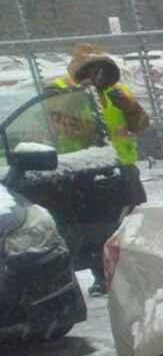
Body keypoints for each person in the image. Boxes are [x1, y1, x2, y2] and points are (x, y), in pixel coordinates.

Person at [49, 44, 149, 294]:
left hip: (122, 167)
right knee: (94, 227)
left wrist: (130, 108)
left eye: (102, 72)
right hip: (84, 168)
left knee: (132, 221)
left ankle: (134, 268)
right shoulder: (59, 92)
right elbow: (64, 127)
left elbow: (141, 125)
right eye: (92, 71)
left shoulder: (118, 92)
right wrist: (81, 100)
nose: (97, 78)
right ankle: (102, 275)